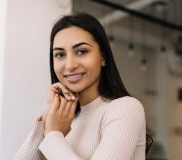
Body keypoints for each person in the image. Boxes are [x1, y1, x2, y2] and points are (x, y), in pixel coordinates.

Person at [14, 13, 150, 160]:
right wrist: (48, 115)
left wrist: (53, 135)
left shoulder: (125, 108)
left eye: (81, 51)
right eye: (60, 54)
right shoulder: (63, 120)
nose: (70, 65)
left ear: (103, 57)